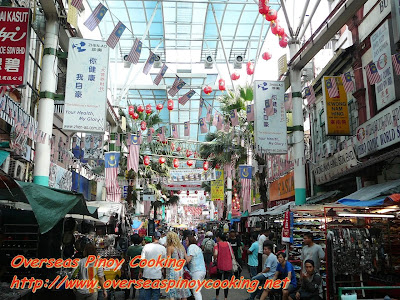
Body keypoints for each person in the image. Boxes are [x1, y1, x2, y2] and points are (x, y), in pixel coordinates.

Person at [139, 232, 167, 300]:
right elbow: (164, 263)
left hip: (147, 274)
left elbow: (142, 261)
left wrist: (140, 271)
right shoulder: (163, 248)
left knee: (147, 292)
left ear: (153, 237)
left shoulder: (146, 246)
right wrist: (164, 273)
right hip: (157, 274)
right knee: (156, 293)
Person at [166, 232, 192, 300]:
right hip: (181, 270)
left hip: (173, 270)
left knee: (172, 290)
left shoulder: (170, 248)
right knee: (182, 291)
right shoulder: (182, 247)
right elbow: (187, 259)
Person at [213, 231, 234, 300]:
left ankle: (217, 297)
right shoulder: (228, 244)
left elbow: (215, 254)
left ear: (218, 238)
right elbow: (232, 254)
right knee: (226, 281)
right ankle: (225, 298)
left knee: (218, 281)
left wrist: (215, 258)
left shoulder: (217, 244)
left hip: (220, 265)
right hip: (228, 265)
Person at [186, 236, 206, 300]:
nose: (185, 242)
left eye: (186, 240)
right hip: (202, 270)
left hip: (196, 271)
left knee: (196, 291)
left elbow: (188, 259)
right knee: (197, 289)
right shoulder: (197, 247)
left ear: (190, 241)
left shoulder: (191, 247)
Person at [126, 234, 143, 299]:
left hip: (132, 267)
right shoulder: (142, 248)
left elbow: (127, 258)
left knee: (133, 281)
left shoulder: (130, 248)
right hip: (140, 267)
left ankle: (133, 293)